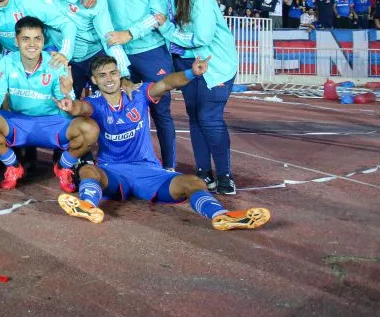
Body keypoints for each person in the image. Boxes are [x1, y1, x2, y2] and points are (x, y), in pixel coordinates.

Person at [56, 55, 270, 231]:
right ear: (94, 80)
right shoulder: (94, 103)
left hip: (149, 170)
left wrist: (192, 73)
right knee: (87, 171)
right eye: (102, 75)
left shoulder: (139, 95)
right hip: (112, 172)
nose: (109, 78)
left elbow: (166, 83)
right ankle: (87, 206)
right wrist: (69, 104)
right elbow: (80, 109)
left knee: (195, 183)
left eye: (113, 72)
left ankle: (222, 216)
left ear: (120, 74)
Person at [150, 0, 240, 195]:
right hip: (187, 64)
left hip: (215, 65)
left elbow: (202, 37)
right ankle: (203, 172)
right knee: (195, 117)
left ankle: (224, 175)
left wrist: (166, 29)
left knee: (209, 118)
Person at [0, 17, 99, 191]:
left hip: (52, 123)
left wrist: (67, 93)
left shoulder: (56, 63)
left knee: (90, 128)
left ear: (43, 40)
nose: (32, 44)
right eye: (25, 39)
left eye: (37, 38)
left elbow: (65, 111)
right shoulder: (5, 62)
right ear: (16, 41)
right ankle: (13, 166)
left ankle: (64, 166)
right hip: (18, 122)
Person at [97, 0, 178, 170]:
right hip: (118, 57)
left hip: (152, 52)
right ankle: (121, 163)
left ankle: (170, 167)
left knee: (160, 112)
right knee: (117, 111)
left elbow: (159, 15)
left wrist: (129, 34)